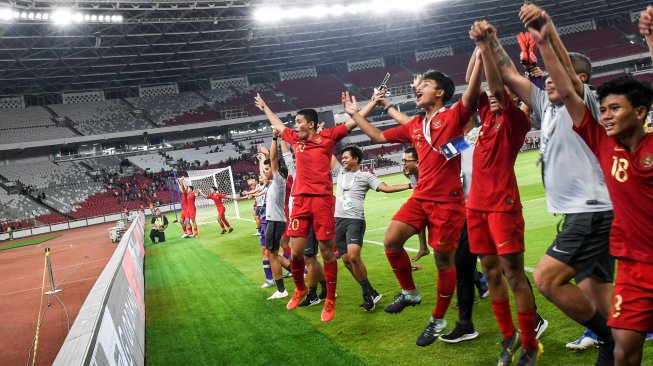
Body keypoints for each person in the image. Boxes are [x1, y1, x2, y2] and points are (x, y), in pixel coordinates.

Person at [487, 7, 616, 364]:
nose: (549, 81)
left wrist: (544, 32)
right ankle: (623, 339)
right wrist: (491, 41)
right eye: (547, 78)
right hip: (581, 211)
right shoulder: (546, 104)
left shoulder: (587, 100)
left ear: (582, 78)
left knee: (546, 279)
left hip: (591, 210)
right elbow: (511, 74)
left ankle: (608, 341)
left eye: (556, 75)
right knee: (598, 292)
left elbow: (563, 74)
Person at [530, 12, 653, 365]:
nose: (607, 115)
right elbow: (567, 90)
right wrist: (544, 40)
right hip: (632, 267)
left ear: (641, 112)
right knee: (623, 350)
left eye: (616, 108)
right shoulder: (601, 142)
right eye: (606, 108)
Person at [342, 50, 483, 344]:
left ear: (440, 92)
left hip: (448, 202)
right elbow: (379, 137)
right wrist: (355, 114)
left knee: (445, 263)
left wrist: (481, 54)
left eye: (425, 85)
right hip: (420, 198)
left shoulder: (455, 115)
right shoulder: (415, 125)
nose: (417, 88)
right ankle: (410, 293)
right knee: (391, 241)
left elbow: (472, 91)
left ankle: (438, 320)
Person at [466, 26, 543, 364]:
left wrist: (486, 44)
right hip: (476, 208)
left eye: (499, 94)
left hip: (503, 206)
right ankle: (508, 336)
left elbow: (497, 84)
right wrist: (479, 49)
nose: (492, 96)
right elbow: (475, 80)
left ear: (512, 97)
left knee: (513, 274)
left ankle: (529, 343)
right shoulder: (486, 116)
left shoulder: (515, 120)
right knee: (490, 271)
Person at [254, 94, 366, 323]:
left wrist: (371, 103)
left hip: (323, 201)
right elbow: (277, 125)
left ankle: (330, 298)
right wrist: (265, 107)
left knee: (326, 252)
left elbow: (353, 122)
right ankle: (300, 289)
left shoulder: (327, 137)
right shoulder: (296, 140)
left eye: (299, 122)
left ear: (311, 124)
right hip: (301, 201)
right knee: (295, 252)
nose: (295, 126)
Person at [332, 145, 411, 311]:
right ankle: (370, 292)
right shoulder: (340, 172)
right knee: (346, 261)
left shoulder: (365, 176)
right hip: (338, 221)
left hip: (355, 221)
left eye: (346, 157)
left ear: (356, 159)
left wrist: (410, 186)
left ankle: (367, 296)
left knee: (353, 257)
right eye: (343, 157)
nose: (343, 160)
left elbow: (386, 188)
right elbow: (326, 152)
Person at [258, 134, 293, 301]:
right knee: (273, 254)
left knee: (272, 255)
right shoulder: (273, 183)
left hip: (275, 221)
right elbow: (267, 166)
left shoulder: (279, 181)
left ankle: (281, 290)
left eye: (269, 169)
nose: (266, 172)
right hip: (276, 221)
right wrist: (263, 157)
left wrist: (274, 139)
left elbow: (273, 159)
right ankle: (298, 273)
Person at [400, 147, 430, 263]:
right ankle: (423, 247)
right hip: (422, 204)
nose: (404, 164)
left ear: (417, 162)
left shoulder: (428, 173)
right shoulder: (410, 173)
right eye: (403, 161)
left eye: (406, 161)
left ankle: (474, 275)